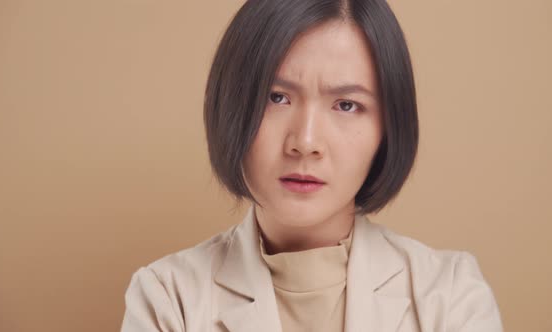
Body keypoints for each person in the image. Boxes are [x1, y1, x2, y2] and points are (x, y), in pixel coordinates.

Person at [120, 0, 504, 331]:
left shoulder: (451, 295)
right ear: (231, 106)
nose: (305, 142)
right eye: (277, 97)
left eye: (347, 105)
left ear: (388, 127)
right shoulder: (167, 296)